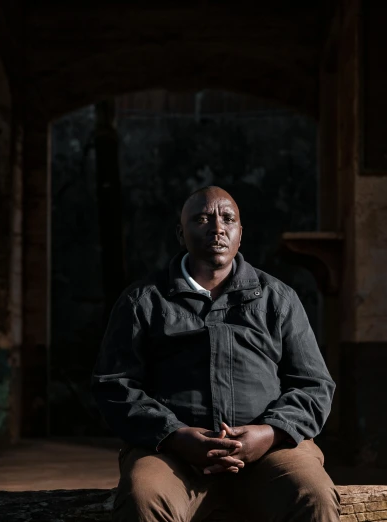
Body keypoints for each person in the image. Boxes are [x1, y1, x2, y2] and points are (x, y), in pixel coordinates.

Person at [92, 186, 339, 521]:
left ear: (240, 234)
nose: (217, 227)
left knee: (313, 495)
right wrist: (175, 435)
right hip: (171, 456)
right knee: (143, 497)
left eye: (228, 219)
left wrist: (267, 433)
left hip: (270, 453)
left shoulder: (277, 299)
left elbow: (314, 386)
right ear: (182, 233)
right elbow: (114, 386)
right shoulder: (144, 301)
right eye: (202, 218)